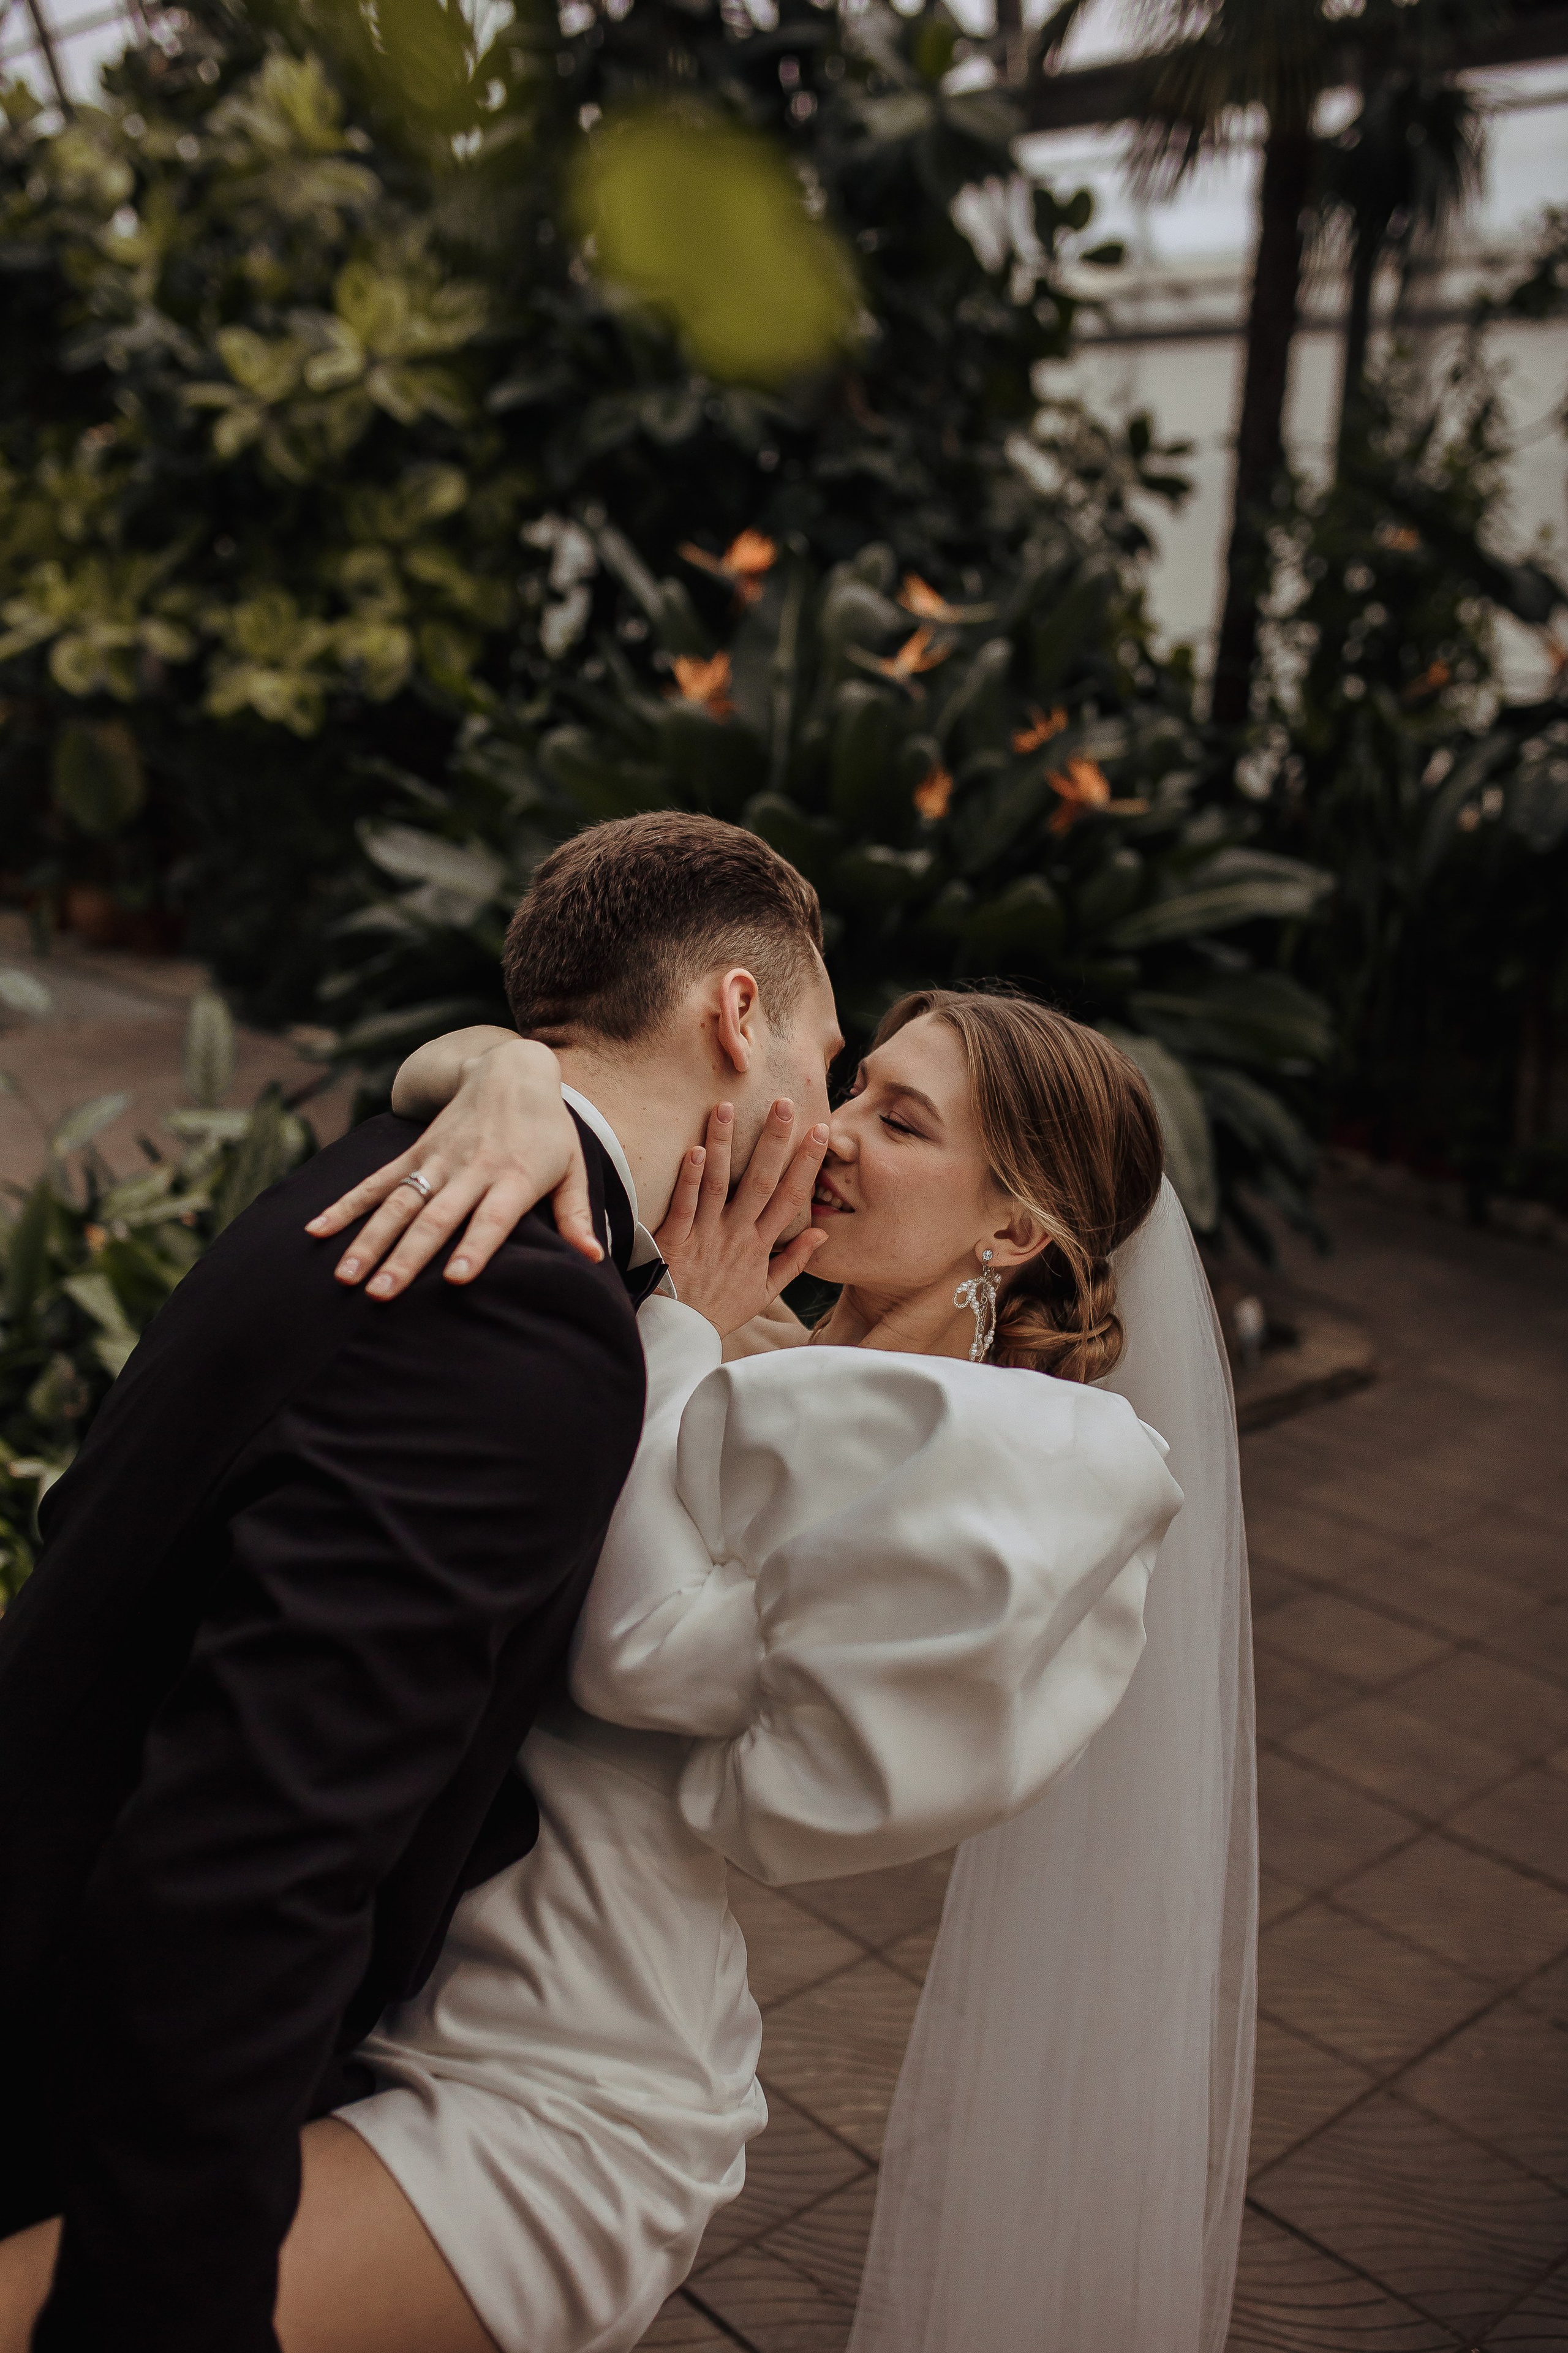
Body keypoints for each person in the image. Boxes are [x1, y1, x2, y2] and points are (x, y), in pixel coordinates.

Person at [201, 984, 1248, 2352]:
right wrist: (515, 1076)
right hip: (408, 1991)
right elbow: (531, 1090)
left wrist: (675, 1325)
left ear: (1006, 1227)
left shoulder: (982, 1454)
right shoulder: (760, 1343)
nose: (834, 1130)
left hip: (556, 2080)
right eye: (856, 1083)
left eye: (901, 1120)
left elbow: (634, 1653)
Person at [0, 812, 841, 2353]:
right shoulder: (510, 1319)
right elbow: (246, 1877)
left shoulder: (400, 1171)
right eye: (824, 1056)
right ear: (737, 1014)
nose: (827, 1119)